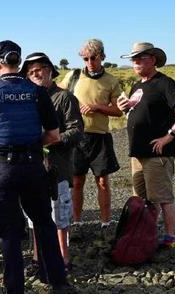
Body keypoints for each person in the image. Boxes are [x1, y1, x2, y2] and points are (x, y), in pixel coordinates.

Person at [0, 41, 73, 294]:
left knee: (8, 232)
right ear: (19, 62)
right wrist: (31, 144)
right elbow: (54, 135)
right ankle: (59, 283)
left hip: (2, 169)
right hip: (34, 166)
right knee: (44, 223)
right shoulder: (37, 93)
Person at [117, 42, 175, 249]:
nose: (135, 62)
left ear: (153, 59)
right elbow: (140, 114)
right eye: (133, 59)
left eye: (140, 58)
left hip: (157, 153)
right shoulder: (137, 86)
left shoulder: (165, 83)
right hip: (138, 152)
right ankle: (144, 236)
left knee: (162, 197)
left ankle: (169, 238)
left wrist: (169, 135)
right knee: (141, 199)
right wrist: (124, 108)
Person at [21, 52, 84, 272]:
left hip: (58, 166)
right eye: (30, 72)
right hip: (33, 166)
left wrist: (54, 140)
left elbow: (77, 129)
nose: (35, 74)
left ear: (49, 70)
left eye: (38, 69)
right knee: (35, 216)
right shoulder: (28, 99)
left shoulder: (64, 98)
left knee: (60, 216)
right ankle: (38, 259)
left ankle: (62, 260)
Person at [59, 39, 123, 242]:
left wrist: (98, 108)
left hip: (100, 137)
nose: (89, 62)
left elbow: (119, 110)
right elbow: (57, 96)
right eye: (85, 58)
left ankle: (105, 224)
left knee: (102, 182)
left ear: (102, 56)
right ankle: (76, 223)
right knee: (76, 182)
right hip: (76, 137)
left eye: (93, 58)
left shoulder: (111, 81)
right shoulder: (73, 76)